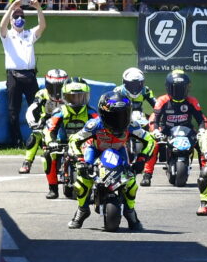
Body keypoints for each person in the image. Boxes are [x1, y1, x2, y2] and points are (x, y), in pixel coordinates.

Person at [66, 92, 154, 230]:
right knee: (82, 180)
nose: (119, 120)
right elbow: (74, 139)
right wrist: (80, 160)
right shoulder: (94, 125)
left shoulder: (132, 125)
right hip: (95, 151)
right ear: (104, 114)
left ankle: (130, 211)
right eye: (115, 116)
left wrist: (142, 159)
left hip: (120, 151)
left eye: (123, 115)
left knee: (131, 183)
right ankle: (82, 210)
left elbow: (150, 140)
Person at [143, 71, 207, 187]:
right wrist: (156, 131)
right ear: (169, 88)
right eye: (177, 88)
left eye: (184, 87)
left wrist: (202, 130)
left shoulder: (192, 101)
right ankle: (147, 175)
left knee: (203, 145)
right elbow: (155, 118)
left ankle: (206, 175)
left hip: (187, 129)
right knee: (153, 144)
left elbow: (201, 119)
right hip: (167, 129)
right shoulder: (162, 100)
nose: (181, 90)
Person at [0, 0, 46, 148]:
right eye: (16, 16)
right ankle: (17, 142)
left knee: (38, 108)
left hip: (30, 76)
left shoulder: (29, 34)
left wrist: (38, 7)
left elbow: (42, 26)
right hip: (13, 75)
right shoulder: (7, 36)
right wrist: (12, 7)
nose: (19, 19)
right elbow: (2, 26)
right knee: (14, 110)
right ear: (12, 20)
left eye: (21, 16)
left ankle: (41, 140)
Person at [20, 68, 68, 185]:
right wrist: (32, 123)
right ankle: (27, 162)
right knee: (34, 136)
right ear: (47, 85)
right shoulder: (42, 94)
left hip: (65, 123)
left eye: (60, 87)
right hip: (47, 122)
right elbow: (31, 109)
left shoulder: (71, 94)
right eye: (53, 87)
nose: (57, 91)